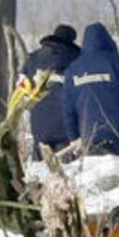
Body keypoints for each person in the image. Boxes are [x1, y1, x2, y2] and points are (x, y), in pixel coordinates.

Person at [62, 22, 119, 158]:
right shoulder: (118, 62)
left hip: (91, 136)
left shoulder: (73, 70)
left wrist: (73, 137)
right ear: (108, 40)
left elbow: (68, 109)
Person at [20, 24, 81, 159]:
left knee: (41, 173)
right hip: (66, 130)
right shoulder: (76, 59)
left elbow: (22, 89)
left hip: (39, 128)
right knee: (66, 175)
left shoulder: (32, 59)